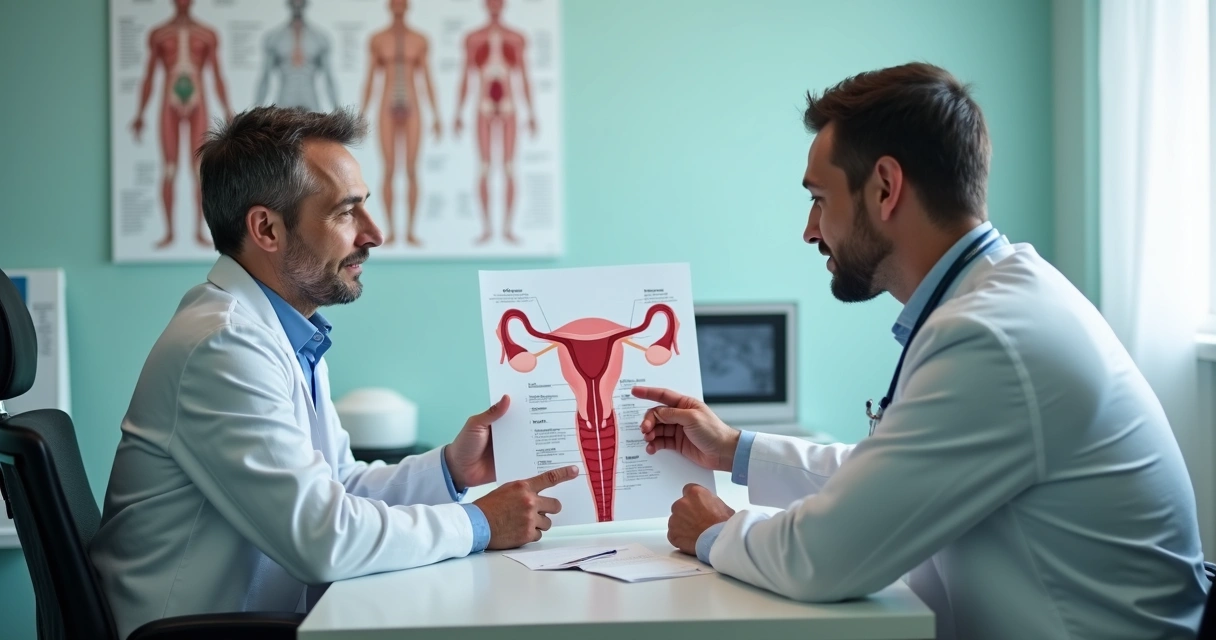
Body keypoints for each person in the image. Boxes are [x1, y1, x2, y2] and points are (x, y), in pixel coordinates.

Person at [632, 62, 1210, 640]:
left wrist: (716, 532)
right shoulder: (998, 297)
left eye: (819, 199)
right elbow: (887, 478)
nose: (810, 230)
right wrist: (735, 449)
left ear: (886, 187)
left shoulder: (992, 338)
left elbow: (825, 557)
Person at [91, 106, 577, 639]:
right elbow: (324, 538)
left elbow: (337, 487)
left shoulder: (278, 328)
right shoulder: (223, 345)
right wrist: (481, 523)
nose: (374, 234)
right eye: (346, 213)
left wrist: (449, 471)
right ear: (266, 229)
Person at [131, 0, 234, 249]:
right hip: (169, 104)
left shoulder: (207, 34)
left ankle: (199, 231)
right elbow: (149, 75)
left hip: (198, 103)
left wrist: (228, 110)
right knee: (169, 168)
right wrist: (140, 113)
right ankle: (169, 233)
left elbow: (217, 74)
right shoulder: (159, 34)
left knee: (199, 170)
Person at [453, 0, 536, 245]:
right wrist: (457, 111)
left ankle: (508, 228)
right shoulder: (473, 38)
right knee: (485, 168)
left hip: (509, 107)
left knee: (509, 167)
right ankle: (488, 229)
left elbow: (525, 77)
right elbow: (465, 76)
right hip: (483, 107)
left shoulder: (517, 38)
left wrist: (532, 113)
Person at [359, 0, 442, 247]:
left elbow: (427, 79)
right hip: (386, 107)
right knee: (389, 169)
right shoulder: (377, 39)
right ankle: (392, 231)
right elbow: (370, 80)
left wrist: (437, 115)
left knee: (412, 169)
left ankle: (410, 231)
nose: (398, 5)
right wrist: (361, 116)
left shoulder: (420, 40)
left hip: (413, 108)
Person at [253, 0, 340, 113]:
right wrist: (256, 111)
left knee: (313, 129)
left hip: (311, 102)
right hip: (284, 101)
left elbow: (329, 79)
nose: (297, 5)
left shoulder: (320, 38)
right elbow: (265, 78)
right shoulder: (274, 38)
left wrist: (338, 110)